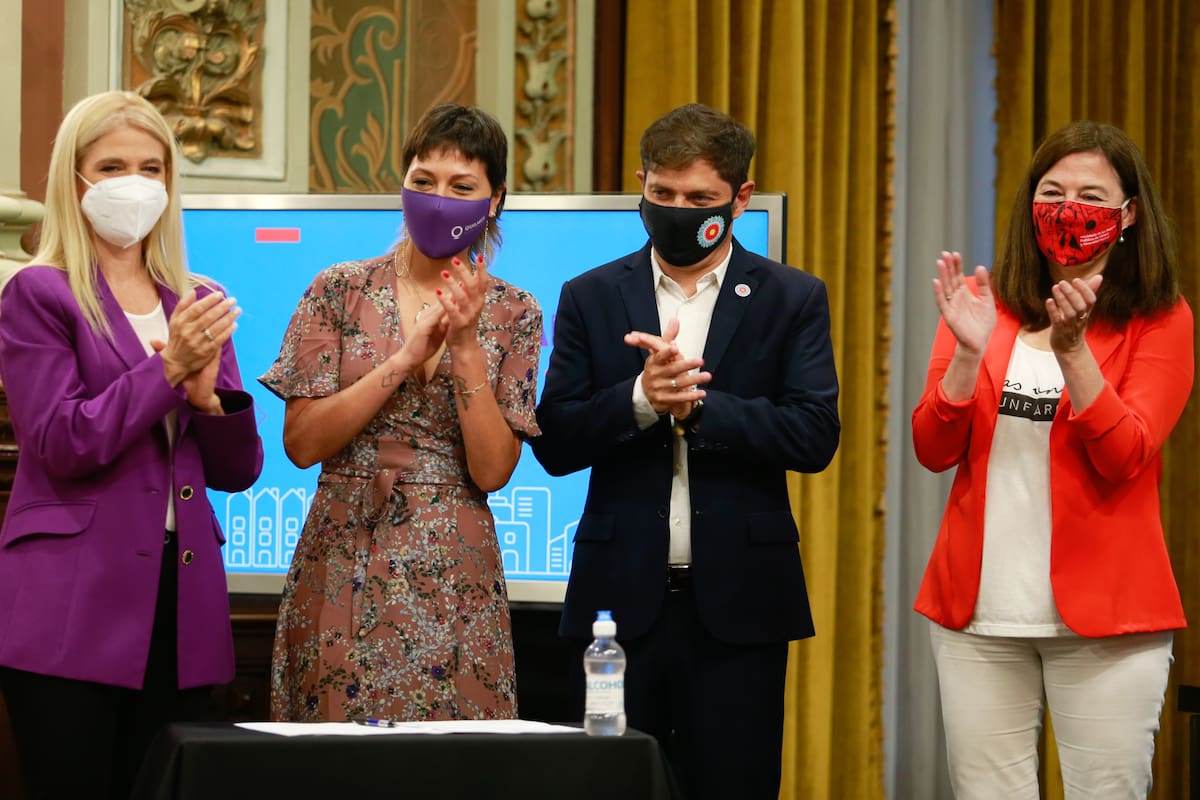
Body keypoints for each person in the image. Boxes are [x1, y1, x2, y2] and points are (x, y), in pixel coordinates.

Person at [530, 103, 841, 800]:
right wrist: (640, 400)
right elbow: (554, 439)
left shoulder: (791, 298)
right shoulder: (590, 295)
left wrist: (699, 405)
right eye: (662, 194)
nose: (677, 210)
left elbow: (814, 434)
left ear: (740, 198)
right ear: (641, 185)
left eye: (699, 199)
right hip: (619, 607)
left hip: (741, 609)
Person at [913, 121, 1193, 799]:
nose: (1068, 209)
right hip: (977, 617)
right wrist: (970, 357)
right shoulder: (985, 307)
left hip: (1105, 622)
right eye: (1052, 191)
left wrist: (1073, 353)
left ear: (1127, 214)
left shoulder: (1160, 318)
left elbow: (1125, 454)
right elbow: (932, 447)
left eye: (1091, 196)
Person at [0, 90, 263, 799]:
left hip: (180, 603)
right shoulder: (39, 294)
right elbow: (60, 441)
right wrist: (168, 371)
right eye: (112, 166)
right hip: (71, 606)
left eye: (152, 167)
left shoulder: (195, 299)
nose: (135, 184)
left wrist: (211, 402)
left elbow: (238, 471)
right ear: (74, 179)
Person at [262, 103, 542, 723]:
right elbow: (303, 444)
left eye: (461, 186)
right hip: (343, 550)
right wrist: (403, 359)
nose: (438, 198)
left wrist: (464, 347)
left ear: (493, 201)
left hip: (455, 565)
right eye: (423, 181)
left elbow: (494, 472)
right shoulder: (339, 288)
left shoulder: (515, 312)